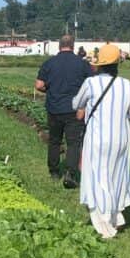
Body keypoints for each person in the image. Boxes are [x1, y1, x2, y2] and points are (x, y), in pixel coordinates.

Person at [71, 43, 130, 238]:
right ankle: (116, 215)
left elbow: (77, 103)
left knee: (98, 176)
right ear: (117, 64)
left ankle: (104, 222)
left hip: (98, 138)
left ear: (99, 64)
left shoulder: (91, 83)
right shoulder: (126, 85)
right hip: (121, 139)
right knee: (117, 175)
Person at [36, 35, 92, 187]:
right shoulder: (82, 64)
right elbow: (91, 85)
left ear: (59, 46)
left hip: (54, 108)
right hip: (75, 109)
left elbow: (39, 85)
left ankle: (54, 170)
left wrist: (50, 89)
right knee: (73, 142)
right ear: (73, 46)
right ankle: (70, 172)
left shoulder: (49, 63)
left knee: (54, 140)